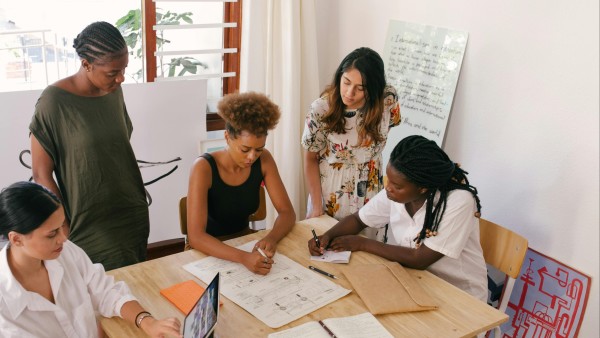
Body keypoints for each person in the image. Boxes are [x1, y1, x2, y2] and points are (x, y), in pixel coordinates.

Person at [308, 135, 488, 302]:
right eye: (389, 181)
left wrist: (362, 243)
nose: (388, 188)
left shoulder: (458, 201)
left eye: (396, 185)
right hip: (415, 281)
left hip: (459, 296)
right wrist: (327, 236)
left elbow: (420, 259)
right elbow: (358, 220)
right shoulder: (397, 193)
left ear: (423, 188)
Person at [29, 21, 149, 270]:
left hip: (131, 211)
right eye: (112, 72)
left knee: (135, 284)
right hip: (88, 220)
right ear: (86, 64)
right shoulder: (53, 102)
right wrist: (62, 224)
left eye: (124, 69)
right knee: (100, 293)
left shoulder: (113, 91)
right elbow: (41, 173)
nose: (120, 78)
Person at [0, 181, 182, 338]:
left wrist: (146, 321)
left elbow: (105, 291)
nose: (63, 238)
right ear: (16, 239)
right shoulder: (4, 303)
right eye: (52, 234)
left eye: (62, 226)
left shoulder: (64, 251)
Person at [187, 92, 296, 275]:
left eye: (259, 150)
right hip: (207, 252)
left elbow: (287, 213)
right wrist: (243, 258)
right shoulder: (203, 168)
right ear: (227, 137)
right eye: (245, 149)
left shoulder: (264, 160)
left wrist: (272, 238)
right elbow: (196, 237)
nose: (252, 157)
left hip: (244, 243)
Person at [302, 47, 401, 239]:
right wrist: (316, 206)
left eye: (360, 87)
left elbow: (387, 129)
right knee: (329, 251)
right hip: (333, 193)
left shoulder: (387, 100)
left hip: (372, 191)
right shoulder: (321, 109)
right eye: (346, 82)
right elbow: (310, 159)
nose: (349, 92)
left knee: (368, 257)